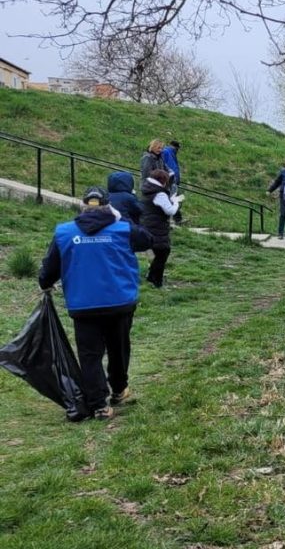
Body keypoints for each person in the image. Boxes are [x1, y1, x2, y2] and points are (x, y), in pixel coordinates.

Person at [38, 186, 153, 420]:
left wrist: (45, 283)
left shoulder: (64, 233)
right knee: (118, 348)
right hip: (119, 301)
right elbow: (147, 239)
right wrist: (122, 217)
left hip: (83, 305)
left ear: (82, 206)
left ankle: (99, 404)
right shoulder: (122, 229)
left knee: (90, 355)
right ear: (107, 206)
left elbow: (50, 268)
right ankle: (119, 390)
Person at [140, 169, 183, 288]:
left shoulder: (147, 190)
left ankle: (152, 277)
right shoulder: (160, 194)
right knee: (163, 252)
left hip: (148, 224)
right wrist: (176, 202)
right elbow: (170, 211)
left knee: (159, 253)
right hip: (157, 226)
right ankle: (155, 280)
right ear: (163, 181)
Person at [161, 140, 183, 224]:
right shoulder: (166, 152)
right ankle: (176, 219)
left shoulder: (171, 153)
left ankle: (177, 218)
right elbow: (163, 165)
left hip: (173, 181)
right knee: (173, 199)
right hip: (169, 181)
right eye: (178, 148)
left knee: (176, 199)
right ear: (175, 147)